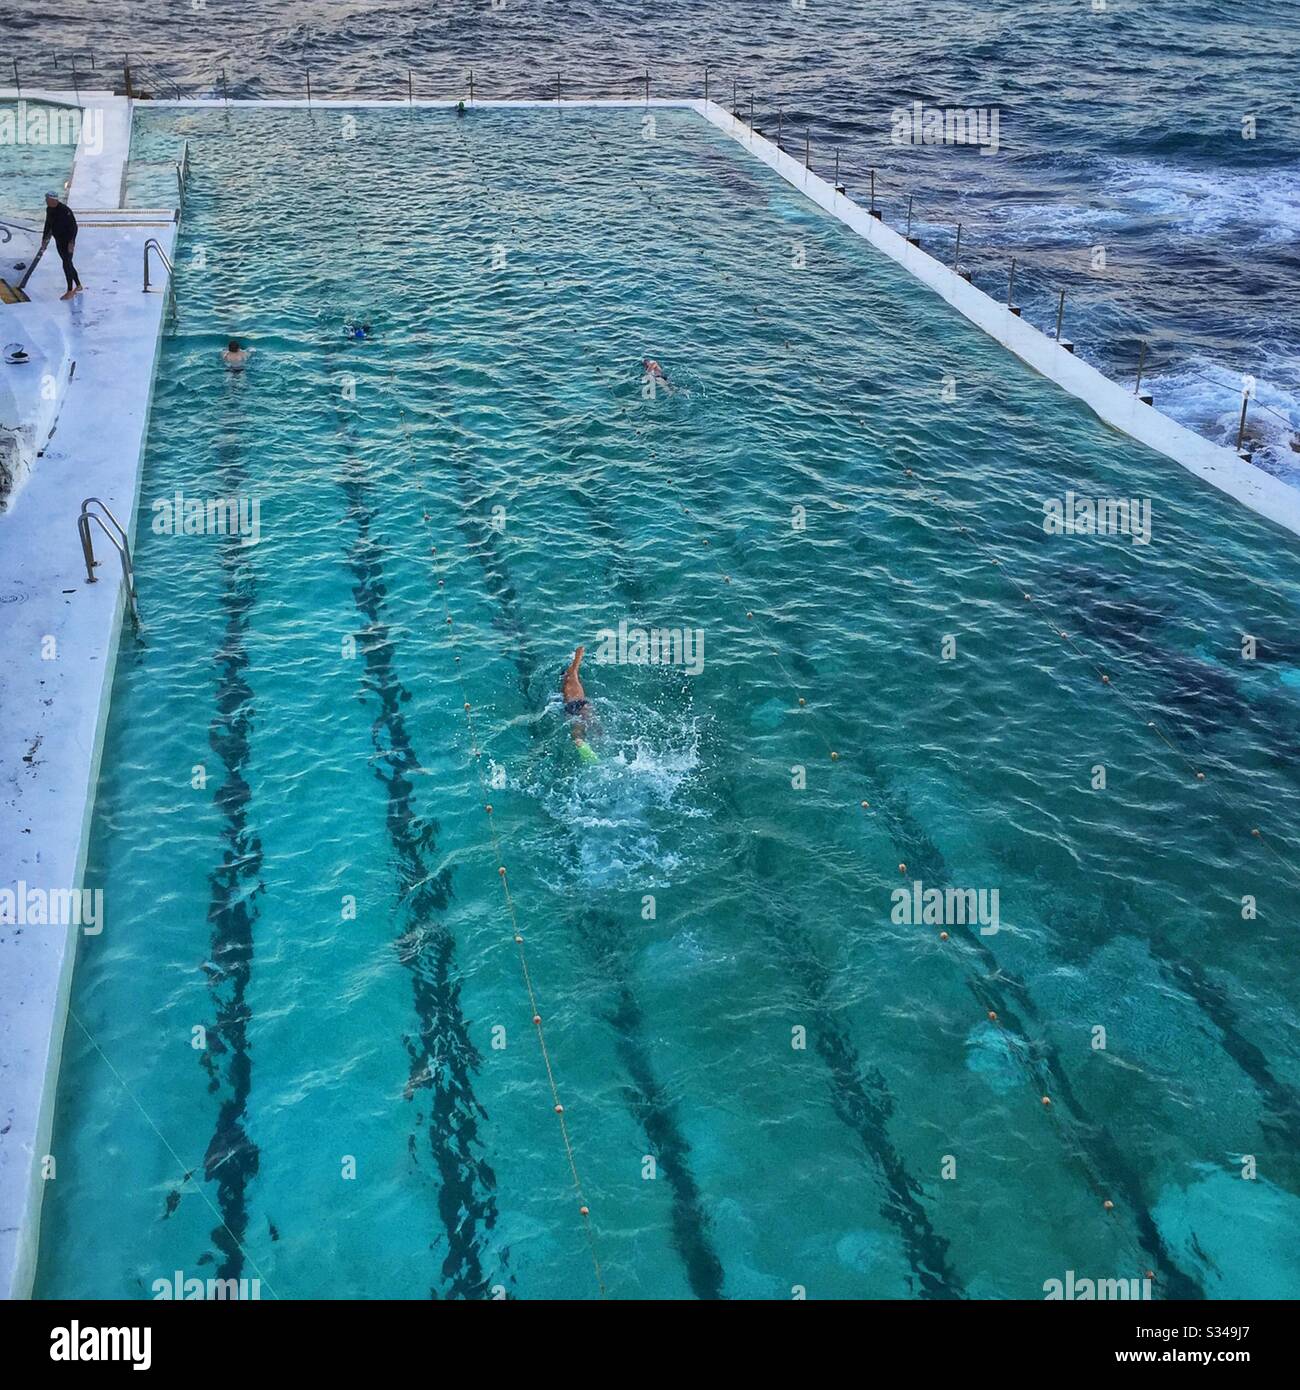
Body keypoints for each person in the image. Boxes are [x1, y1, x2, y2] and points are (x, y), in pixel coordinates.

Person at [40, 193, 81, 301]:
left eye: (47, 199)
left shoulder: (64, 210)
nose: (46, 201)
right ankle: (78, 285)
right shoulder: (49, 209)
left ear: (54, 200)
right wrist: (44, 239)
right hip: (58, 240)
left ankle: (69, 290)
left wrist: (72, 242)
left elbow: (74, 227)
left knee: (66, 264)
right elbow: (48, 224)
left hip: (67, 241)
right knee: (68, 263)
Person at [561, 645, 598, 760]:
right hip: (580, 703)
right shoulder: (571, 680)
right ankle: (593, 742)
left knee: (577, 728)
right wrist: (579, 653)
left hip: (570, 706)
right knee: (593, 722)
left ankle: (580, 743)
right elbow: (574, 669)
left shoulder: (564, 688)